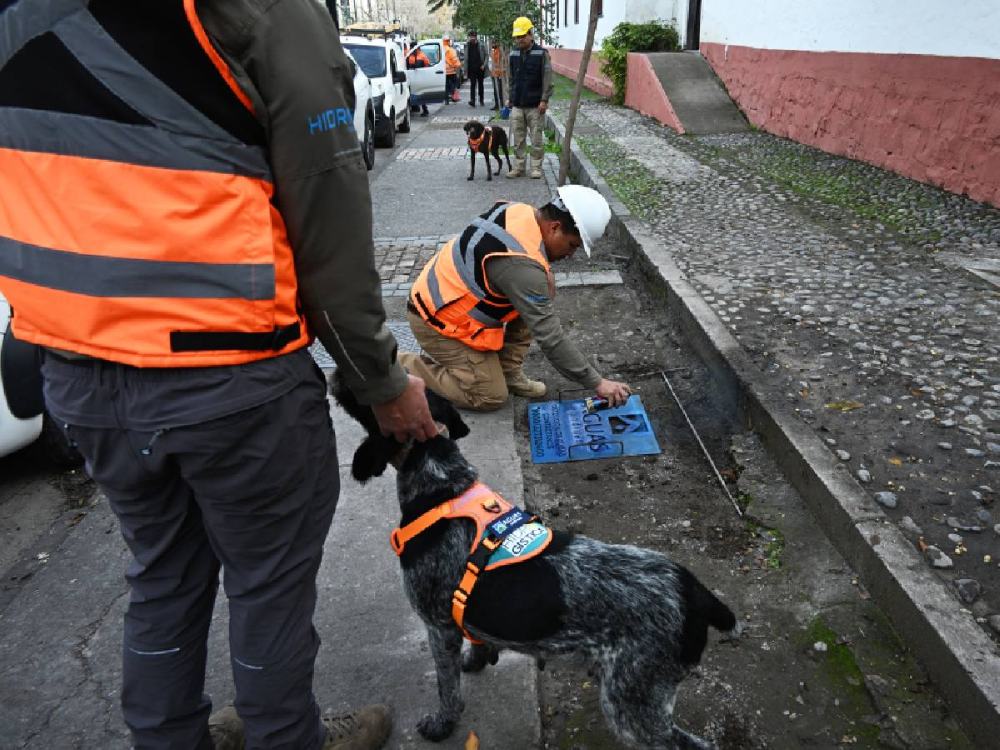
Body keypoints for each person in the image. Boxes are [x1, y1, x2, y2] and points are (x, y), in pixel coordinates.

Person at [0, 2, 437, 749]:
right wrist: (382, 385)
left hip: (77, 372)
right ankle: (285, 735)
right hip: (230, 379)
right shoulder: (259, 9)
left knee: (163, 576)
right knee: (268, 587)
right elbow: (326, 214)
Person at [399, 186, 631, 412]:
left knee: (541, 289)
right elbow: (550, 337)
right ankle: (398, 367)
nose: (570, 255)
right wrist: (597, 382)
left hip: (448, 299)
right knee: (490, 396)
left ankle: (508, 373)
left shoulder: (521, 212)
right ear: (555, 227)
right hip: (436, 320)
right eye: (572, 245)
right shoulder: (522, 266)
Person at [505, 16, 553, 179]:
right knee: (518, 139)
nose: (520, 40)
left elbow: (547, 78)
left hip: (535, 105)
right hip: (518, 104)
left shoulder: (542, 53)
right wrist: (510, 98)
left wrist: (544, 99)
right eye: (517, 37)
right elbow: (511, 79)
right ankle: (519, 167)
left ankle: (536, 168)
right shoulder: (513, 54)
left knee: (536, 138)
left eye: (522, 36)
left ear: (530, 34)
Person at [406, 45, 432, 116]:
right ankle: (416, 107)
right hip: (413, 77)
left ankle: (425, 110)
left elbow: (427, 65)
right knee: (414, 93)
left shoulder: (421, 55)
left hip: (419, 78)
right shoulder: (412, 55)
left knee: (420, 93)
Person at [465, 30, 486, 107]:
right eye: (471, 37)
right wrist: (465, 69)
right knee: (472, 85)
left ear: (476, 37)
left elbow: (487, 55)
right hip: (471, 69)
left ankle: (481, 100)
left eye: (474, 36)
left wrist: (484, 65)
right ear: (469, 37)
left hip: (480, 68)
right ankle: (472, 100)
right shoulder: (467, 45)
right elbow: (466, 58)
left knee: (481, 85)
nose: (472, 38)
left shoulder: (481, 45)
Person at [443, 36, 462, 104]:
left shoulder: (441, 49)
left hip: (443, 72)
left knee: (446, 86)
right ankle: (453, 97)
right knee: (453, 85)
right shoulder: (451, 50)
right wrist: (458, 66)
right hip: (451, 71)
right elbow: (455, 60)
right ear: (448, 41)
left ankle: (446, 100)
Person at [490, 39, 507, 111]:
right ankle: (497, 104)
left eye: (494, 43)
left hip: (499, 74)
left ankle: (501, 104)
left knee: (499, 91)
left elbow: (501, 62)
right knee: (496, 91)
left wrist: (501, 72)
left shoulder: (499, 51)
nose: (492, 44)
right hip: (494, 74)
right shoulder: (494, 51)